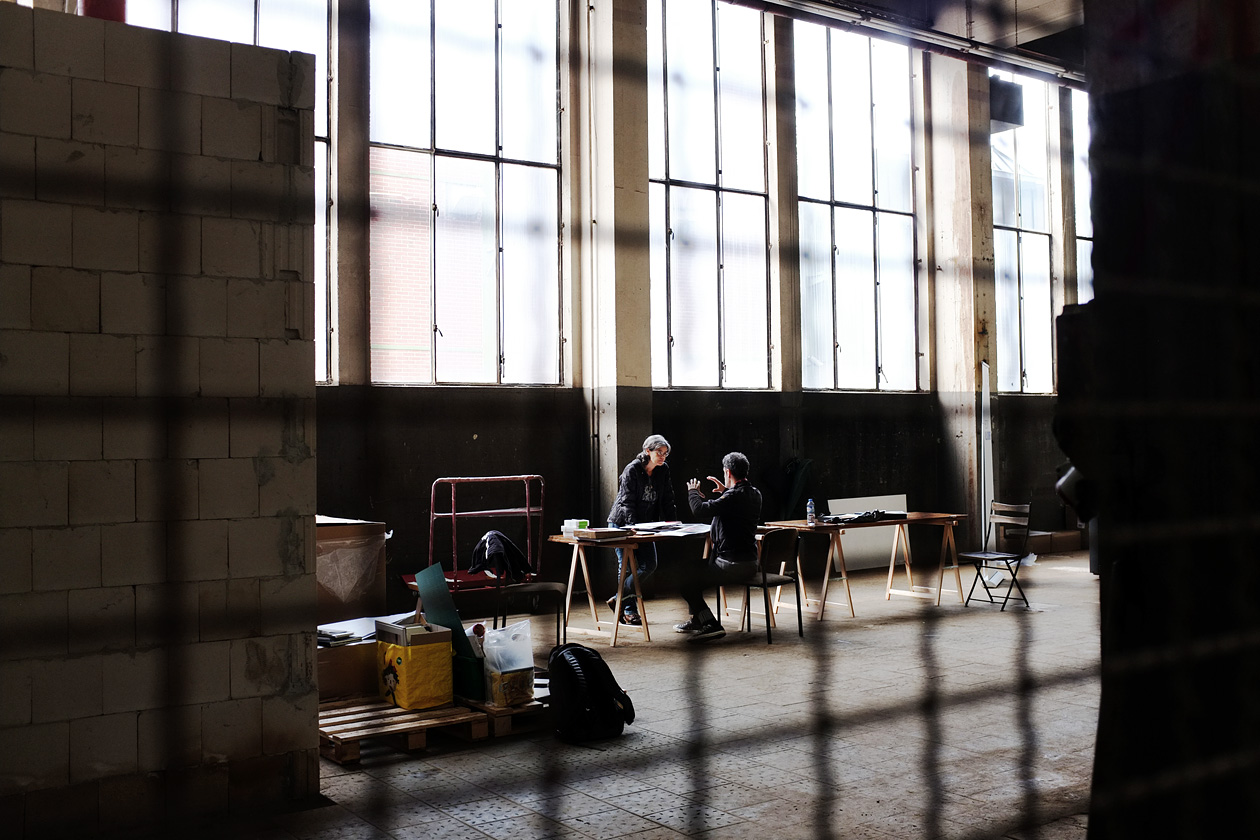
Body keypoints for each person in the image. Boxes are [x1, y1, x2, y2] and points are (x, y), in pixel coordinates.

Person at [675, 451, 762, 642]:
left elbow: (699, 509)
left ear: (727, 472)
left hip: (731, 566)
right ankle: (698, 620)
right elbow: (736, 509)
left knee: (684, 580)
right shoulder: (755, 493)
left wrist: (693, 492)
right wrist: (725, 491)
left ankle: (711, 624)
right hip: (750, 563)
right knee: (689, 568)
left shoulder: (732, 497)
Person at [606, 434, 677, 625]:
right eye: (659, 452)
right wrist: (632, 527)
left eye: (665, 453)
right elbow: (626, 502)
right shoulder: (632, 469)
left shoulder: (663, 470)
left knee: (650, 564)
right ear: (647, 451)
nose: (663, 456)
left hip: (646, 525)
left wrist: (673, 523)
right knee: (627, 567)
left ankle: (618, 599)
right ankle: (630, 611)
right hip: (622, 524)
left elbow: (668, 498)